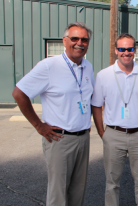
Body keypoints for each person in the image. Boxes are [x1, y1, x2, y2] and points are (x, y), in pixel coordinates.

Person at [12, 22, 94, 206]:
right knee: (58, 195)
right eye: (74, 38)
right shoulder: (49, 66)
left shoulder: (87, 66)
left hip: (83, 138)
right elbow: (19, 93)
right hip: (60, 140)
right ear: (65, 41)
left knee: (77, 192)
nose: (79, 43)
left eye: (84, 39)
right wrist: (39, 126)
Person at [91, 33, 138, 206]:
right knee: (111, 183)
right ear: (116, 50)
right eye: (122, 49)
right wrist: (101, 131)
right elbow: (96, 105)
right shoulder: (104, 75)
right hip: (114, 134)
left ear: (135, 50)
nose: (126, 52)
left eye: (130, 49)